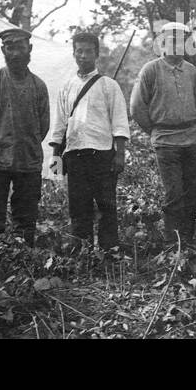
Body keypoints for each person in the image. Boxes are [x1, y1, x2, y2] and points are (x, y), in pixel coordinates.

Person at [0, 27, 51, 247]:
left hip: (28, 162)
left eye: (20, 48)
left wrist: (24, 144)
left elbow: (43, 126)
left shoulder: (39, 87)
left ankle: (21, 265)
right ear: (3, 50)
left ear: (29, 49)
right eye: (9, 48)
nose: (15, 53)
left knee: (25, 220)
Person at [47, 32, 130, 255]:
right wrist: (56, 158)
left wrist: (119, 154)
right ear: (74, 53)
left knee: (106, 205)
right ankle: (80, 252)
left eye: (88, 52)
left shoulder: (108, 85)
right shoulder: (67, 87)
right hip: (74, 155)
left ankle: (109, 250)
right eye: (79, 51)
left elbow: (120, 122)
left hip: (102, 154)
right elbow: (61, 123)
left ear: (97, 54)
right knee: (78, 206)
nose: (83, 56)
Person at [130, 22, 196, 247]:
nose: (175, 46)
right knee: (174, 194)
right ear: (162, 44)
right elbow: (136, 107)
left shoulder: (191, 70)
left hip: (193, 140)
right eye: (170, 41)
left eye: (180, 41)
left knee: (192, 193)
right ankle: (171, 245)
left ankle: (189, 240)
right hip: (166, 142)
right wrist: (155, 130)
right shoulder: (151, 69)